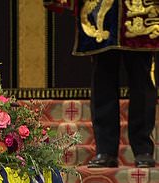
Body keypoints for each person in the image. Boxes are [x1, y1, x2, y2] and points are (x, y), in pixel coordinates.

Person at [45, 0, 157, 168]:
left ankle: (143, 149)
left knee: (142, 82)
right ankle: (105, 150)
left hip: (139, 11)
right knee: (103, 82)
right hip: (103, 11)